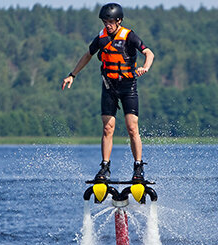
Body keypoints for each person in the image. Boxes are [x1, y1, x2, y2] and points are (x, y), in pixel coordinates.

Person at [61, 3, 155, 182]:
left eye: (110, 21)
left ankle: (138, 167)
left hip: (128, 87)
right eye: (105, 21)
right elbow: (88, 55)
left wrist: (145, 67)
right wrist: (72, 75)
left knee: (132, 128)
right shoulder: (101, 37)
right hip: (109, 86)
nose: (107, 25)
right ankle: (104, 167)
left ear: (119, 20)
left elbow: (149, 53)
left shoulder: (129, 36)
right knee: (107, 128)